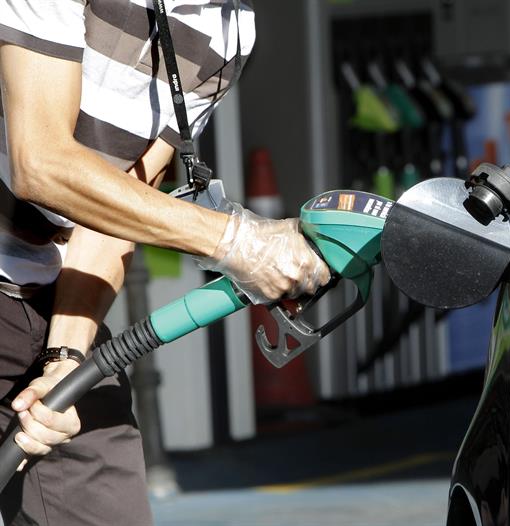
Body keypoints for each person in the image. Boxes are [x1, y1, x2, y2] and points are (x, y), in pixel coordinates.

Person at [0, 1, 330, 524]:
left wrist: (64, 358)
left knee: (104, 497)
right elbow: (40, 164)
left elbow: (112, 215)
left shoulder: (228, 29)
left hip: (41, 293)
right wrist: (238, 242)